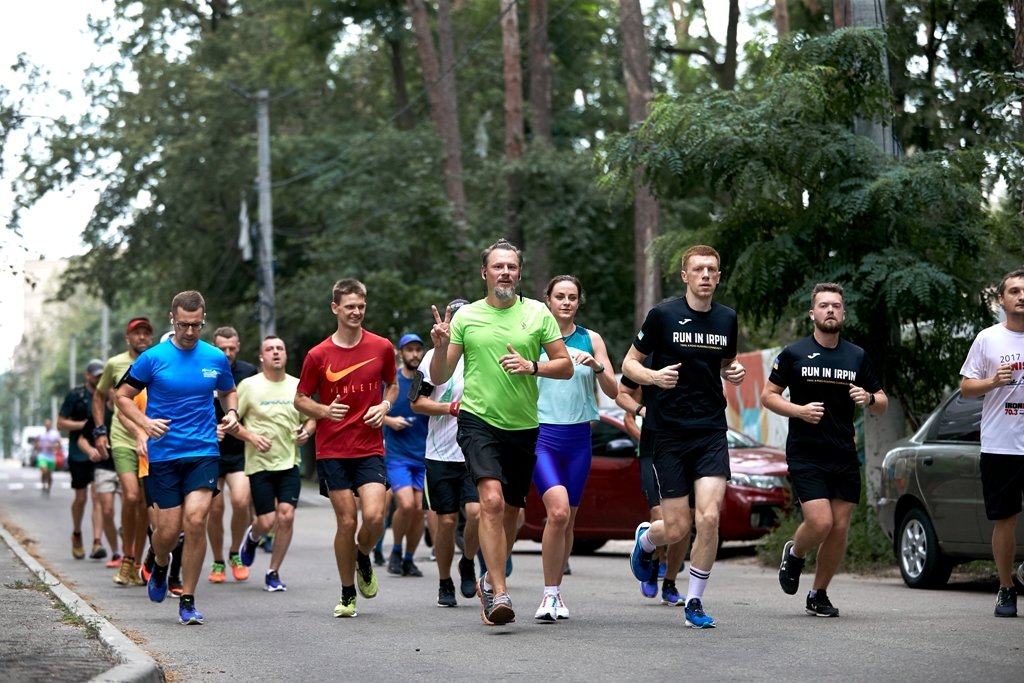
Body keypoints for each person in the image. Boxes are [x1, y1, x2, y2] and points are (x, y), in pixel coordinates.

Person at [428, 239, 572, 626]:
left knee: (512, 511)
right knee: (488, 502)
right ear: (484, 273)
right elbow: (440, 377)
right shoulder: (467, 317)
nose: (504, 272)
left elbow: (565, 366)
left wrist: (532, 366)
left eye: (511, 266)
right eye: (497, 266)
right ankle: (499, 589)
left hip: (523, 426)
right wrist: (440, 348)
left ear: (519, 273)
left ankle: (489, 580)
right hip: (478, 421)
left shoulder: (538, 314)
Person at [623, 244, 745, 629]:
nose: (706, 275)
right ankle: (646, 541)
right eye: (699, 269)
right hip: (668, 433)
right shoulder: (663, 315)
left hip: (710, 429)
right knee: (676, 528)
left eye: (712, 269)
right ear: (685, 275)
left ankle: (694, 601)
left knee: (708, 517)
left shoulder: (728, 319)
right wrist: (655, 378)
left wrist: (733, 372)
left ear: (719, 276)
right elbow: (629, 363)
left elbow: (724, 363)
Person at [762, 282, 887, 617]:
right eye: (824, 305)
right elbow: (768, 396)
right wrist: (799, 411)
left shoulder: (857, 356)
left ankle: (818, 593)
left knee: (840, 527)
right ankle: (796, 552)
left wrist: (869, 398)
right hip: (806, 452)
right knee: (820, 523)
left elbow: (882, 402)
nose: (830, 310)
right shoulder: (794, 354)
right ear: (812, 313)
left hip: (844, 453)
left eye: (836, 306)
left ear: (843, 313)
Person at [115, 290, 239, 625]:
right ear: (173, 319)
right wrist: (145, 423)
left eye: (196, 325)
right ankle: (158, 561)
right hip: (165, 454)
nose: (190, 332)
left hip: (203, 450)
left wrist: (231, 413)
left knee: (196, 520)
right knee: (167, 533)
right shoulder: (152, 358)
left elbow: (228, 389)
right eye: (184, 325)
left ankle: (187, 598)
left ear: (203, 319)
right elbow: (122, 396)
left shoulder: (214, 357)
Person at [294, 278, 397, 618]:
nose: (356, 312)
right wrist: (324, 411)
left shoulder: (381, 347)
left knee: (376, 515)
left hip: (370, 446)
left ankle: (363, 556)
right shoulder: (318, 354)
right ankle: (347, 593)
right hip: (333, 448)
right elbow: (300, 399)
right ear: (335, 308)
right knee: (347, 521)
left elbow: (393, 386)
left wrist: (384, 407)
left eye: (361, 307)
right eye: (349, 306)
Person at [531, 275, 618, 621]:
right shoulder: (534, 335)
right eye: (560, 297)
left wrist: (597, 367)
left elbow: (613, 391)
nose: (566, 302)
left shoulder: (591, 338)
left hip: (580, 438)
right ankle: (548, 595)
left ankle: (557, 591)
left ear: (579, 301)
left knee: (569, 522)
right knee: (558, 512)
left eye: (572, 297)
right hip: (542, 436)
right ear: (548, 300)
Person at [959, 268, 1024, 618]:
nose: (1021, 296)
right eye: (1014, 291)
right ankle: (1005, 588)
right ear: (1002, 299)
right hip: (1001, 444)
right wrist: (992, 381)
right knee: (1005, 519)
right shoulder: (988, 339)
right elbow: (966, 388)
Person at [411, 298, 482, 607]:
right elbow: (417, 403)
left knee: (478, 513)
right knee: (447, 521)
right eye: (454, 317)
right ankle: (444, 580)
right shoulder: (432, 358)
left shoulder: (482, 354)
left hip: (475, 452)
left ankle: (467, 561)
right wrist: (450, 407)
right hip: (440, 453)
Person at [232, 335, 315, 592]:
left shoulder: (298, 385)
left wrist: (307, 432)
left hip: (290, 462)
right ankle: (253, 536)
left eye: (280, 348)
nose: (276, 353)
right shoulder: (248, 386)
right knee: (266, 521)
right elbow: (233, 423)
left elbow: (311, 418)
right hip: (259, 464)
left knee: (286, 516)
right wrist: (251, 437)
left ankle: (273, 571)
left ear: (286, 355)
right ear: (261, 356)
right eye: (270, 349)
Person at [615, 372, 691, 606]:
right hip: (651, 451)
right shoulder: (645, 366)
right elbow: (628, 415)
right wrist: (645, 429)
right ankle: (653, 564)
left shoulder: (692, 361)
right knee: (659, 514)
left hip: (685, 451)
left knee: (685, 520)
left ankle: (669, 582)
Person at [93, 316, 154, 586]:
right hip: (123, 437)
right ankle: (127, 555)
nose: (142, 337)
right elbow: (100, 396)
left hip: (151, 438)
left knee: (144, 505)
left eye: (146, 333)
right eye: (136, 333)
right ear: (127, 338)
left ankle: (138, 562)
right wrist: (99, 430)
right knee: (130, 495)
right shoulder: (115, 364)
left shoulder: (156, 360)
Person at [207, 326, 259, 584]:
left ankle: (235, 553)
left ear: (238, 346)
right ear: (213, 347)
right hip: (209, 450)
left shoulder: (248, 373)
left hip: (239, 450)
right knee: (214, 509)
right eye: (222, 349)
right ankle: (217, 560)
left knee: (240, 501)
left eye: (231, 348)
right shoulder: (204, 369)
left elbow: (256, 409)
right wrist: (210, 429)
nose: (227, 353)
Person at [382, 332, 430, 578]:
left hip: (423, 456)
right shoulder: (392, 382)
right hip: (397, 455)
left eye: (418, 350)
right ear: (400, 353)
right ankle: (396, 550)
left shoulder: (426, 381)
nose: (414, 354)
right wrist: (390, 420)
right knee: (407, 504)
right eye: (409, 350)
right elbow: (372, 413)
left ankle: (409, 558)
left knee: (420, 510)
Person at [58, 359, 106, 560]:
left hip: (100, 451)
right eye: (95, 375)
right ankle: (77, 534)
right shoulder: (75, 395)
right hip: (78, 453)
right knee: (81, 498)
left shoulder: (106, 394)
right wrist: (84, 426)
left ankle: (97, 542)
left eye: (101, 375)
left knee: (97, 496)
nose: (98, 378)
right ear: (87, 375)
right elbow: (61, 423)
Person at [35, 418, 61, 496]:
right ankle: (43, 485)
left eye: (49, 424)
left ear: (51, 425)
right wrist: (37, 446)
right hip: (42, 455)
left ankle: (48, 489)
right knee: (44, 470)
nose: (47, 425)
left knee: (49, 474)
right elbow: (35, 444)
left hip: (50, 456)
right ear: (44, 425)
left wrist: (52, 446)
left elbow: (59, 444)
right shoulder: (41, 433)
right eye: (46, 424)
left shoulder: (55, 434)